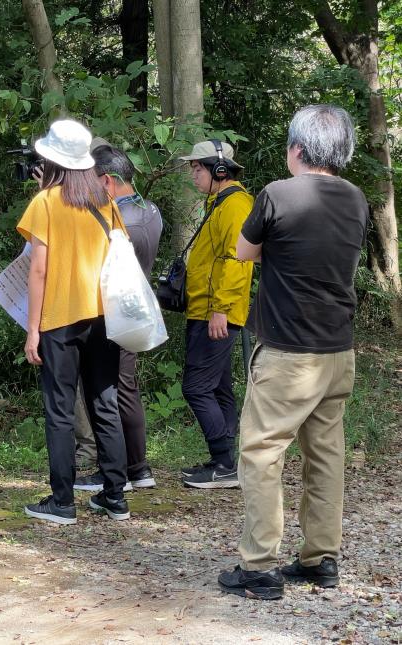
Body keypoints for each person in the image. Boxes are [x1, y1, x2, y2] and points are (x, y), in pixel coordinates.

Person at [218, 105, 368, 600]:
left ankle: (260, 566)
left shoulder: (277, 194)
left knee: (262, 452)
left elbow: (244, 252)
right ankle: (321, 560)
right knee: (325, 455)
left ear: (297, 149)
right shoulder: (356, 199)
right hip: (337, 349)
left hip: (287, 351)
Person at [18, 119, 131, 525]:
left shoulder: (45, 203)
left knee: (60, 410)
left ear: (50, 159)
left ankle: (62, 502)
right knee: (105, 402)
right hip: (104, 317)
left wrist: (33, 328)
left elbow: (38, 271)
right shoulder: (105, 199)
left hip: (61, 320)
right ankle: (115, 496)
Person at [73, 139, 162, 493]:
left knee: (112, 391)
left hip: (116, 314)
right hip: (133, 310)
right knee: (125, 388)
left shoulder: (119, 220)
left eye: (92, 181)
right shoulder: (150, 210)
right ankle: (136, 469)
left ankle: (126, 471)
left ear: (108, 181)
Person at [177, 140, 254, 489]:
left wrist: (220, 309)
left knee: (196, 387)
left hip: (216, 312)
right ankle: (225, 461)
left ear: (218, 170)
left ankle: (223, 462)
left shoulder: (236, 205)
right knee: (219, 386)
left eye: (197, 168)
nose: (193, 175)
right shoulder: (218, 202)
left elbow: (236, 261)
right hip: (205, 310)